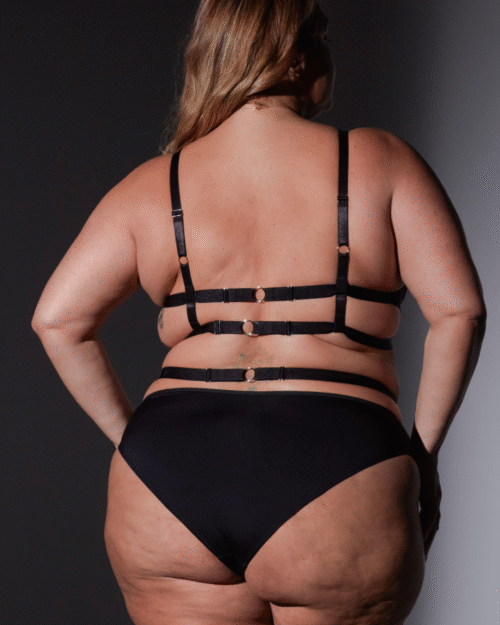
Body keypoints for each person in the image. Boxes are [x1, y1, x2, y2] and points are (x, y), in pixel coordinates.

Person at [32, 1, 486, 623]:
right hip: (338, 462)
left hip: (168, 473)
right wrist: (423, 458)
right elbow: (460, 311)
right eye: (321, 37)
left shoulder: (151, 184)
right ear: (293, 54)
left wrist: (133, 442)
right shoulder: (380, 161)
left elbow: (57, 320)